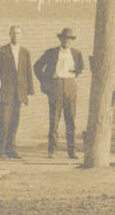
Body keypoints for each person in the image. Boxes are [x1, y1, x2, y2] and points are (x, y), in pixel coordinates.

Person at [34, 27, 85, 158]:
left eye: (69, 39)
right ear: (60, 39)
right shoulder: (51, 52)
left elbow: (81, 67)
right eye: (64, 38)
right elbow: (37, 66)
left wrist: (75, 74)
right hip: (55, 87)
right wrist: (47, 78)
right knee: (54, 120)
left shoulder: (76, 53)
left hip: (70, 87)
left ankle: (72, 151)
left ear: (71, 40)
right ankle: (52, 150)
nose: (66, 41)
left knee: (71, 120)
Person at [0, 25, 34, 159]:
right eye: (14, 33)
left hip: (19, 93)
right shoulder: (1, 51)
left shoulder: (25, 52)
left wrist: (29, 93)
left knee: (14, 122)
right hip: (5, 92)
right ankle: (0, 151)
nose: (16, 35)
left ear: (22, 35)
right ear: (9, 34)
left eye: (18, 33)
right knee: (3, 121)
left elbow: (28, 73)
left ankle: (11, 149)